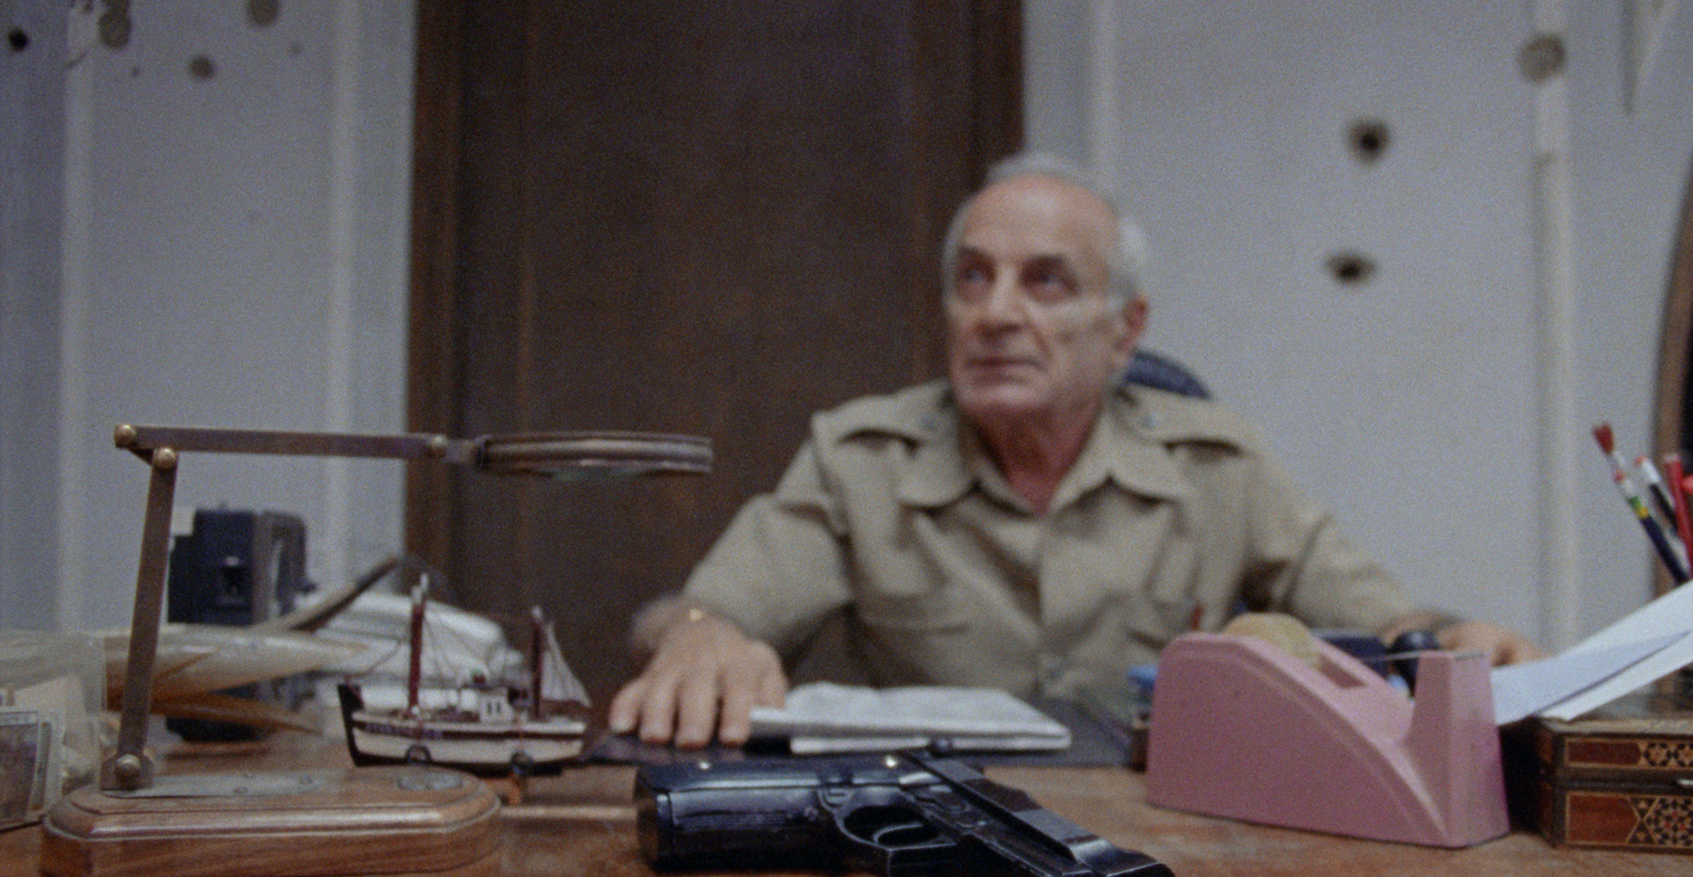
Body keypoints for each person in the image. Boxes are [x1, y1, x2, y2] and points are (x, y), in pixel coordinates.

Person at [610, 153, 1542, 748]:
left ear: (1125, 330)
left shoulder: (1219, 467)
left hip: (1167, 853)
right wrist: (703, 644)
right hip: (926, 853)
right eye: (973, 279)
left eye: (1045, 282)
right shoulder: (863, 459)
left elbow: (1385, 624)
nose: (997, 313)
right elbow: (691, 615)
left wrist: (1457, 643)